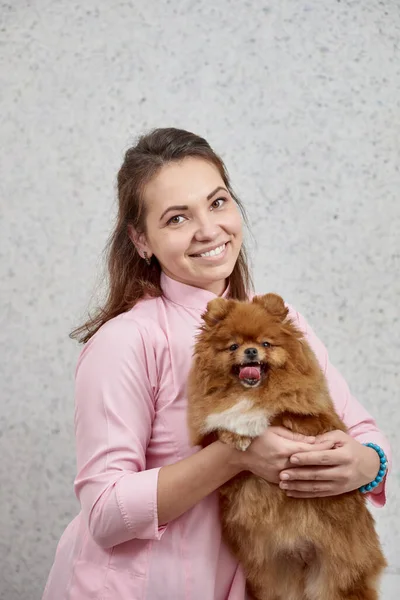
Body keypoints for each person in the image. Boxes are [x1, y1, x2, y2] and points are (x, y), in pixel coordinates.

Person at [42, 128, 391, 600]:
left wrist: (362, 465)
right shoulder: (126, 341)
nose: (208, 230)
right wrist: (234, 453)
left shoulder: (283, 325)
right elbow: (104, 512)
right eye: (177, 218)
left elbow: (364, 431)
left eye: (218, 202)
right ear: (140, 239)